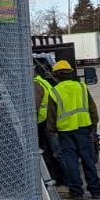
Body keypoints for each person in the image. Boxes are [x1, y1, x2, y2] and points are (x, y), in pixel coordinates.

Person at [50, 60, 100, 200]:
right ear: (70, 73)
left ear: (56, 75)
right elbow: (92, 108)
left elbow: (51, 114)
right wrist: (93, 126)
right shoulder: (81, 87)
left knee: (71, 162)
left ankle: (76, 192)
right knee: (88, 160)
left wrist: (51, 130)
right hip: (84, 129)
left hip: (65, 132)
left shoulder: (55, 91)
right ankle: (95, 191)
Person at [33, 58, 64, 188]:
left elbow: (35, 105)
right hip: (49, 120)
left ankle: (57, 178)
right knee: (55, 151)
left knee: (50, 153)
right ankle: (62, 178)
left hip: (43, 122)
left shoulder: (35, 84)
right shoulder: (43, 81)